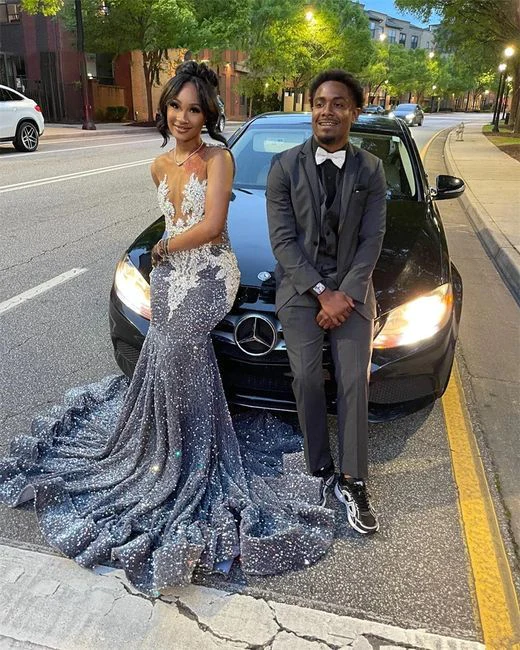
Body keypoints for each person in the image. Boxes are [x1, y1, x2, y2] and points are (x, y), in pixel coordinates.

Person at [0, 62, 334, 595]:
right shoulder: (158, 166)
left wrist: (163, 247)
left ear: (208, 115)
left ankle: (192, 455)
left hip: (211, 273)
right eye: (176, 106)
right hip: (171, 274)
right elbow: (174, 217)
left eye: (194, 109)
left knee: (178, 344)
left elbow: (211, 227)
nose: (183, 117)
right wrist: (166, 258)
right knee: (163, 348)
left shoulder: (220, 158)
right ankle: (161, 444)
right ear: (166, 109)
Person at [266, 69, 387, 535]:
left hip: (352, 289)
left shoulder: (371, 169)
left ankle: (353, 480)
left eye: (338, 103)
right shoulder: (284, 167)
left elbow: (372, 240)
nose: (326, 111)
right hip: (302, 288)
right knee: (306, 376)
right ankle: (319, 468)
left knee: (354, 377)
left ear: (354, 111)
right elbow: (283, 241)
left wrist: (346, 294)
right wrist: (321, 292)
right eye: (319, 102)